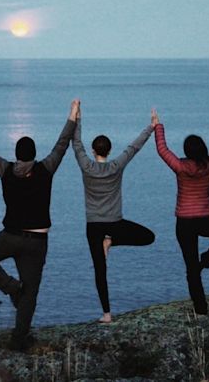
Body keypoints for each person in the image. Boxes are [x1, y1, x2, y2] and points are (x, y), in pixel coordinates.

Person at [0, 100, 78, 351]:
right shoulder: (45, 169)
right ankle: (18, 339)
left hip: (10, 236)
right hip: (37, 242)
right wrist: (72, 115)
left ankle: (12, 287)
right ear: (34, 154)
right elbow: (62, 144)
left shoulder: (5, 170)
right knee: (31, 294)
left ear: (16, 154)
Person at [71, 102, 155, 324]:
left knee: (100, 270)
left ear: (93, 151)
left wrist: (77, 117)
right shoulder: (116, 166)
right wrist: (151, 127)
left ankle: (107, 314)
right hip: (115, 222)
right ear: (108, 151)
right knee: (149, 237)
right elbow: (133, 147)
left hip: (94, 225)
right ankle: (112, 241)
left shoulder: (86, 167)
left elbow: (75, 143)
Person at [154, 107, 209, 315]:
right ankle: (207, 260)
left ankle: (201, 308)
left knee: (191, 267)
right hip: (205, 218)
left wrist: (157, 126)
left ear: (187, 151)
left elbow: (163, 150)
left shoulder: (181, 166)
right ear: (202, 150)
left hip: (185, 223)